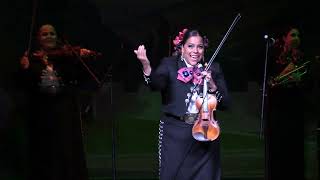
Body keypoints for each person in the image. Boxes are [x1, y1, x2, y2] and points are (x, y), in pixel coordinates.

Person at [134, 28, 230, 180]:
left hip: (206, 134)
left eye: (200, 46)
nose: (195, 51)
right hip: (175, 135)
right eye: (190, 46)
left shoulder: (213, 68)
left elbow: (226, 104)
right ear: (182, 48)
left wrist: (212, 85)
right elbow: (155, 84)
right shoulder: (170, 65)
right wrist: (146, 65)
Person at [18, 24, 99, 180]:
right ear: (38, 39)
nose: (49, 36)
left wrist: (81, 59)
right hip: (41, 114)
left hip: (65, 113)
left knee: (67, 151)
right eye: (44, 34)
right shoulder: (31, 60)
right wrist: (25, 69)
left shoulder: (67, 59)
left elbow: (81, 78)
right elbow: (24, 85)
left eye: (52, 34)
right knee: (45, 153)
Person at [265, 26, 312, 180]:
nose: (296, 37)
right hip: (277, 111)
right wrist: (282, 77)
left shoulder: (303, 58)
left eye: (298, 35)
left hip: (295, 110)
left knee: (295, 151)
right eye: (292, 35)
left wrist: (299, 80)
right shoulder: (274, 57)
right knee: (277, 151)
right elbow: (270, 81)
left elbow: (309, 84)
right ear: (284, 38)